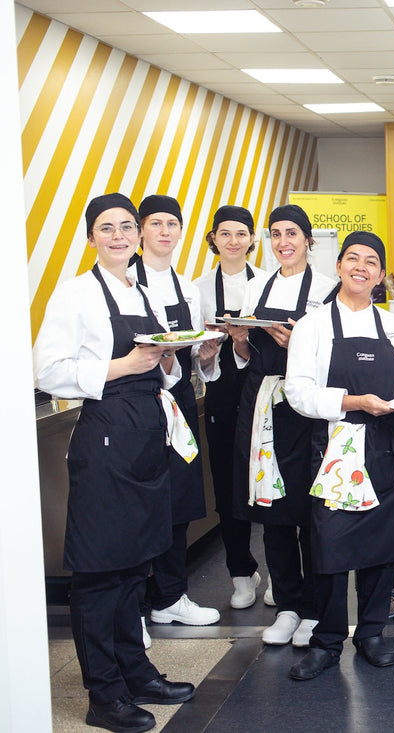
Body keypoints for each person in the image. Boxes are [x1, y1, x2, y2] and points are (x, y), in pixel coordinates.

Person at [35, 193, 196, 733]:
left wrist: (166, 359)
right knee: (101, 573)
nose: (121, 235)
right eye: (108, 228)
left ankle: (136, 670)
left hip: (147, 435)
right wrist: (124, 363)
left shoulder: (141, 290)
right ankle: (103, 694)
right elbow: (49, 369)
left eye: (128, 226)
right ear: (91, 237)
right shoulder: (75, 294)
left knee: (135, 567)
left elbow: (157, 373)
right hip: (105, 437)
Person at [283, 231, 394, 679]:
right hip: (340, 448)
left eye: (371, 262)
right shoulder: (315, 325)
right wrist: (354, 401)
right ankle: (326, 641)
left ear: (381, 275)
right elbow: (298, 392)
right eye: (353, 259)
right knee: (329, 545)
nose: (361, 267)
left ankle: (371, 634)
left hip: (392, 446)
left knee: (383, 546)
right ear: (340, 266)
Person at [228, 204, 336, 647]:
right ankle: (288, 607)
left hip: (305, 412)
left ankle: (314, 610)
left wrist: (300, 347)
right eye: (276, 234)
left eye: (292, 233)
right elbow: (249, 357)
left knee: (309, 515)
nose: (284, 241)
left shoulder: (328, 290)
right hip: (263, 407)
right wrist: (239, 341)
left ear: (309, 240)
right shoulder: (256, 288)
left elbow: (335, 361)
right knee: (271, 512)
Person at [130, 195, 221, 631]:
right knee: (138, 505)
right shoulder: (124, 283)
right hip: (136, 400)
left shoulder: (188, 287)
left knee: (179, 501)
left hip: (180, 401)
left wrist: (205, 353)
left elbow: (201, 367)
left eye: (172, 224)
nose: (165, 232)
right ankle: (131, 607)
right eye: (156, 224)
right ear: (140, 231)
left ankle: (170, 596)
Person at [194, 205, 270, 609]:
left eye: (241, 233)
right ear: (214, 239)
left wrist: (243, 341)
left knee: (272, 479)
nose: (234, 241)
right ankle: (241, 573)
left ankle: (280, 571)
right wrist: (207, 354)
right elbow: (194, 357)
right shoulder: (198, 289)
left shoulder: (268, 283)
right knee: (228, 485)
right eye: (225, 234)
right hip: (222, 392)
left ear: (253, 239)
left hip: (264, 390)